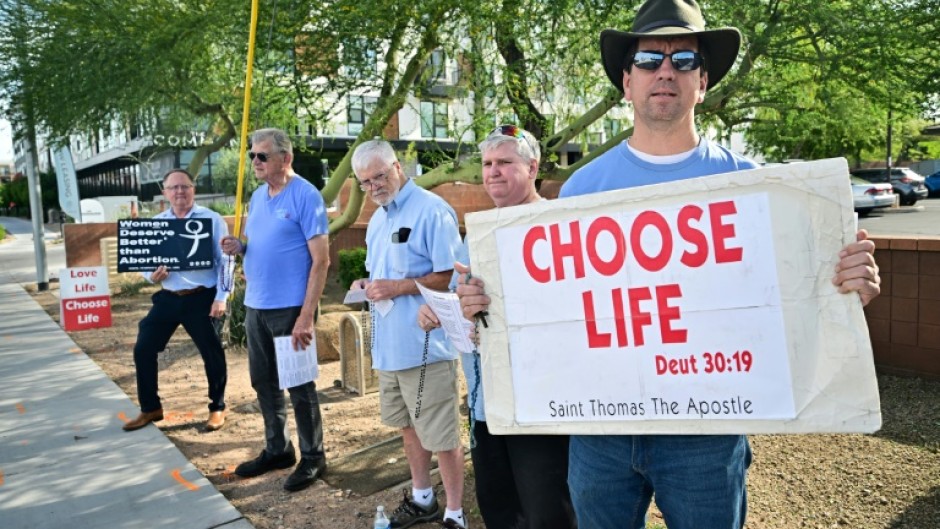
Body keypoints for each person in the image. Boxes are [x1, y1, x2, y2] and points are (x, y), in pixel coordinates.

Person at [456, 1, 882, 528]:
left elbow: (794, 299)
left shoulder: (755, 188)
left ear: (702, 82)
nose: (665, 70)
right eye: (648, 59)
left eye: (683, 59)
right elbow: (548, 307)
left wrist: (844, 288)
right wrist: (485, 301)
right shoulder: (582, 190)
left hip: (706, 435)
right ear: (626, 84)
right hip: (599, 433)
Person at [417, 126, 578, 529]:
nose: (493, 172)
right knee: (499, 507)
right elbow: (470, 306)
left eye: (505, 162)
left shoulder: (555, 225)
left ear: (533, 167)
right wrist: (443, 310)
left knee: (547, 513)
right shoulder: (480, 231)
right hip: (485, 403)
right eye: (487, 164)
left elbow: (569, 312)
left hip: (540, 403)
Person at [349, 140, 466, 529]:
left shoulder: (431, 210)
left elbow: (450, 274)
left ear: (398, 167)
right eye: (365, 182)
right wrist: (368, 283)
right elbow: (385, 275)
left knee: (441, 434)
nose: (374, 187)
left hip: (426, 347)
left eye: (380, 176)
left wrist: (396, 288)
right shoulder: (379, 219)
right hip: (389, 347)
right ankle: (422, 498)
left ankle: (455, 513)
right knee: (407, 426)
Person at [220, 128, 330, 492]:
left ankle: (313, 456)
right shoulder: (257, 196)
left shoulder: (306, 196)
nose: (255, 162)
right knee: (263, 382)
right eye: (253, 156)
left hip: (290, 309)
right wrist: (241, 246)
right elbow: (259, 244)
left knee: (299, 385)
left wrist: (305, 315)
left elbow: (321, 261)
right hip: (256, 307)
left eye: (262, 156)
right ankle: (278, 448)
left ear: (286, 158)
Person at [123, 168, 231, 433]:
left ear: (193, 189)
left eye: (185, 186)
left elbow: (226, 260)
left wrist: (222, 297)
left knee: (212, 353)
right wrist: (152, 275)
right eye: (174, 188)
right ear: (165, 193)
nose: (180, 191)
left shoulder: (212, 219)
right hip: (168, 298)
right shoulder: (157, 223)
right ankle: (150, 408)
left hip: (203, 298)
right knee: (144, 348)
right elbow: (144, 263)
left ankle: (217, 408)